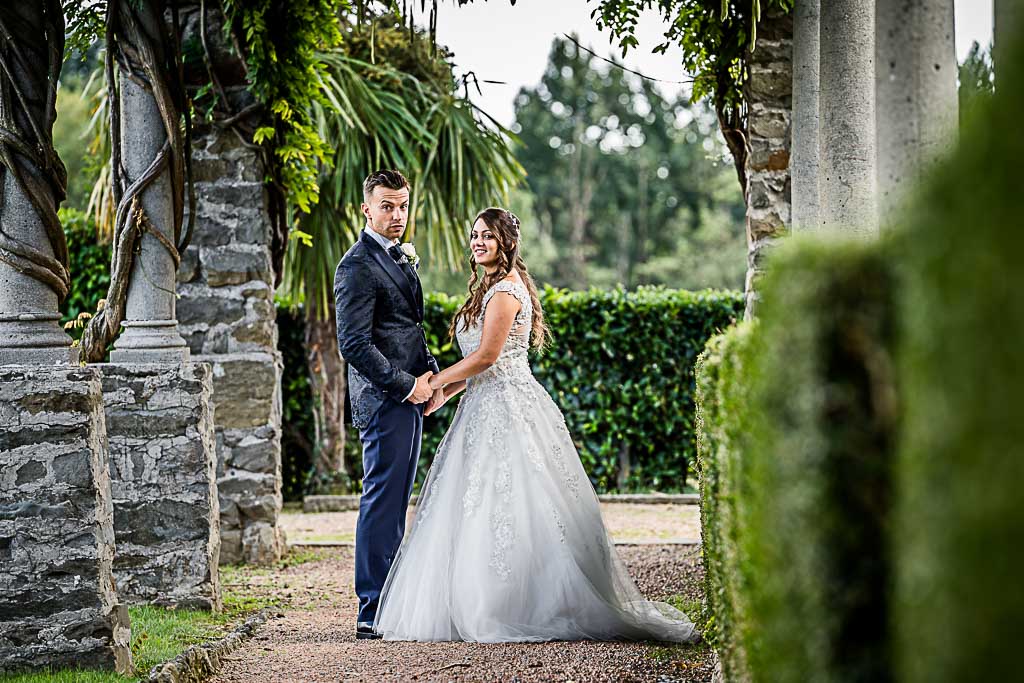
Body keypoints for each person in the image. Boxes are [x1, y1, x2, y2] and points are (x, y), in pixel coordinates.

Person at [372, 207, 697, 643]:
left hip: (510, 407)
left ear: (507, 241)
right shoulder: (488, 289)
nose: (478, 242)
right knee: (476, 501)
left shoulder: (506, 291)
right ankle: (471, 598)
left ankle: (515, 602)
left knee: (519, 498)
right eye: (474, 236)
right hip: (484, 404)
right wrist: (446, 393)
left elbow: (488, 357)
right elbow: (482, 367)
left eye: (487, 235)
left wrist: (434, 380)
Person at [333, 169, 443, 640]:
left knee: (397, 500)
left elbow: (405, 326)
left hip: (411, 396)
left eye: (402, 206)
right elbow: (353, 344)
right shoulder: (355, 266)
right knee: (382, 499)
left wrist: (431, 376)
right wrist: (405, 385)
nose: (397, 215)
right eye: (387, 206)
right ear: (366, 209)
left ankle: (392, 599)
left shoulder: (398, 259)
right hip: (385, 399)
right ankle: (371, 608)